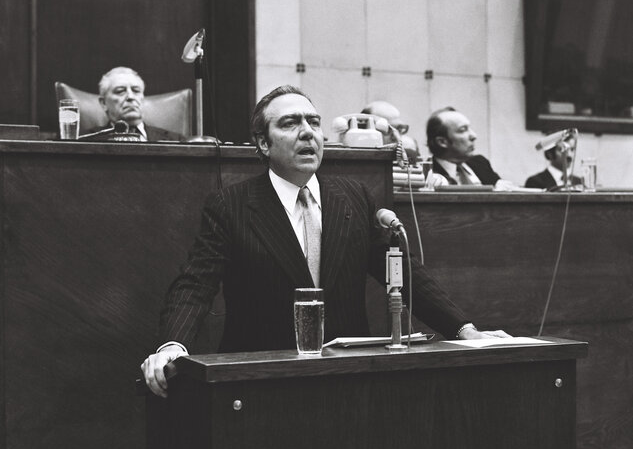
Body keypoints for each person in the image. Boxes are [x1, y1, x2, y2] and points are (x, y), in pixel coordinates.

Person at [141, 86, 509, 397]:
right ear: (263, 143)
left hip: (348, 377)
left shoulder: (354, 197)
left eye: (313, 122)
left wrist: (464, 330)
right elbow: (195, 283)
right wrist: (173, 346)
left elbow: (403, 273)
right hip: (260, 379)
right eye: (289, 123)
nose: (307, 132)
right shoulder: (231, 205)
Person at [426, 106, 516, 190]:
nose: (473, 136)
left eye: (469, 128)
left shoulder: (480, 163)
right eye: (462, 130)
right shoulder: (428, 174)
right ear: (442, 142)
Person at [90, 67, 184, 142]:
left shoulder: (176, 141)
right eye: (120, 91)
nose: (130, 97)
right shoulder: (86, 142)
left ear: (143, 97)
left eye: (136, 91)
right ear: (103, 103)